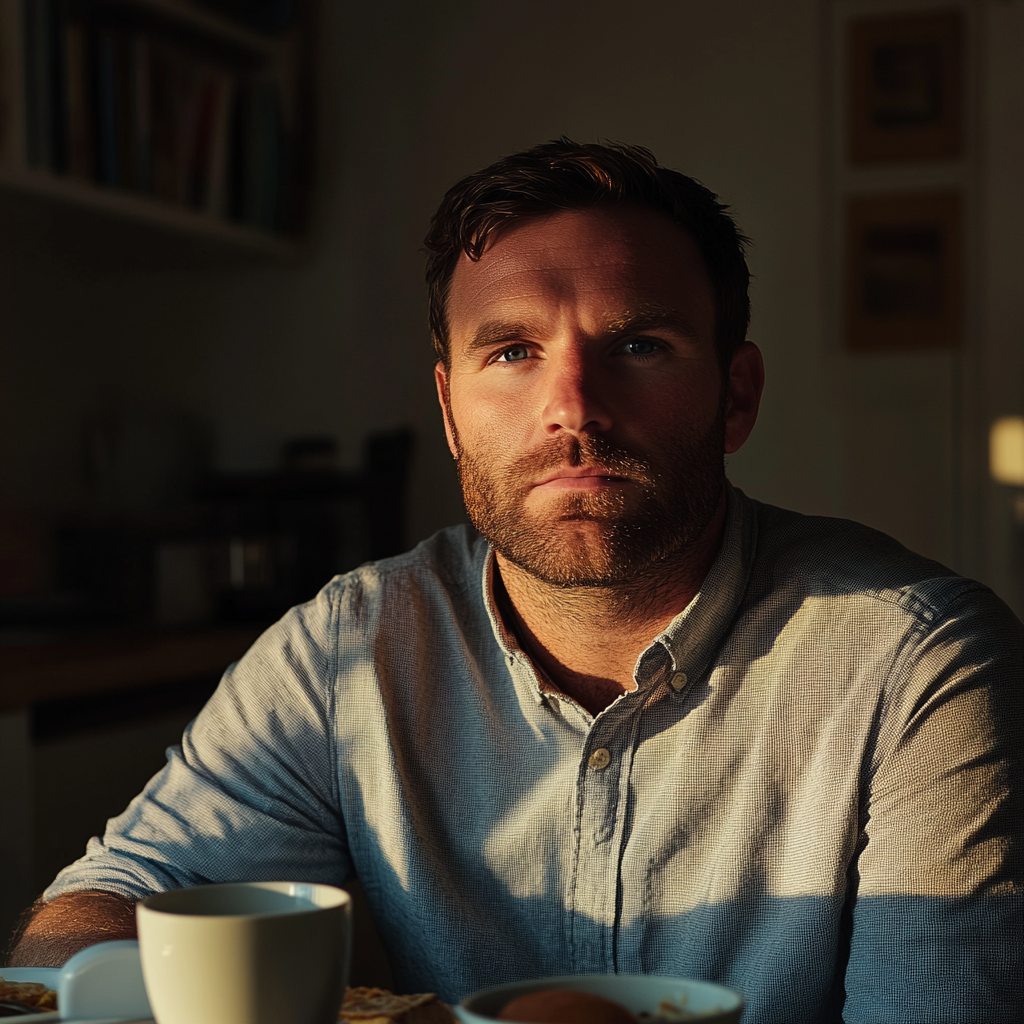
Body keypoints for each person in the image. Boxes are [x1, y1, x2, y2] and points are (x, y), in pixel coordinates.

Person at [7, 140, 1023, 1024]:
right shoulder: (349, 648)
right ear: (449, 411)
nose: (571, 409)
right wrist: (131, 978)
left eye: (638, 345)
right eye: (512, 351)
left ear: (735, 394)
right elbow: (94, 909)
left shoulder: (917, 663)